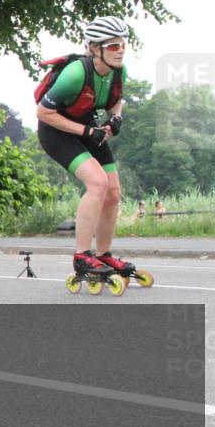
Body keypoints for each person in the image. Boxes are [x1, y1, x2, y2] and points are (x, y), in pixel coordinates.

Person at [37, 16, 139, 284]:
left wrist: (115, 118)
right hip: (57, 131)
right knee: (97, 183)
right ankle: (82, 257)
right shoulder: (76, 73)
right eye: (113, 46)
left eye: (123, 45)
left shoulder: (119, 71)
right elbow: (43, 112)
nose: (120, 51)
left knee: (114, 193)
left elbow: (117, 101)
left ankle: (103, 254)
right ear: (95, 49)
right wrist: (86, 131)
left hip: (89, 129)